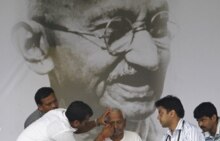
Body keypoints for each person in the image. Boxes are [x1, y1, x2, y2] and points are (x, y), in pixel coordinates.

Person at [12, 0, 170, 140]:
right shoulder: (55, 129)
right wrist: (102, 135)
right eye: (115, 31)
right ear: (36, 46)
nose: (151, 60)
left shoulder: (59, 115)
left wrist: (96, 123)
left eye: (157, 26)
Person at [17, 101, 107, 141]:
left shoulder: (61, 112)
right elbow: (75, 129)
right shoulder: (62, 131)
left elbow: (77, 129)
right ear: (76, 122)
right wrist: (102, 136)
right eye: (85, 121)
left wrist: (98, 121)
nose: (86, 123)